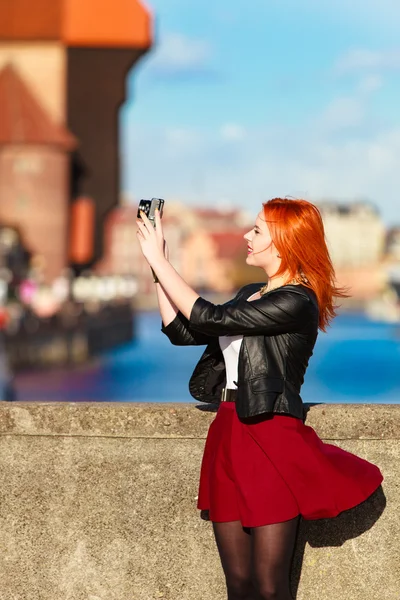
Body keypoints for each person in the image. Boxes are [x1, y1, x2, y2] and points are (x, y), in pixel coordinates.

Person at [136, 198, 384, 600]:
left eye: (257, 231)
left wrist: (161, 263)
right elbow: (183, 331)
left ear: (284, 242)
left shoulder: (297, 300)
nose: (246, 237)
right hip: (228, 431)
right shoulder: (251, 292)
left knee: (269, 586)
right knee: (239, 584)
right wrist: (157, 262)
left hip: (269, 433)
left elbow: (210, 318)